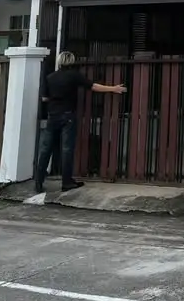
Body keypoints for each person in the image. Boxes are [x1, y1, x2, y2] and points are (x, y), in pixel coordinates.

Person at [34, 51, 126, 194]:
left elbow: (44, 98)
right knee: (67, 149)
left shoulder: (50, 77)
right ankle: (67, 182)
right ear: (72, 61)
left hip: (53, 116)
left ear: (59, 61)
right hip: (68, 115)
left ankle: (38, 182)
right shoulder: (74, 75)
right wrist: (113, 88)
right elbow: (93, 86)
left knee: (46, 149)